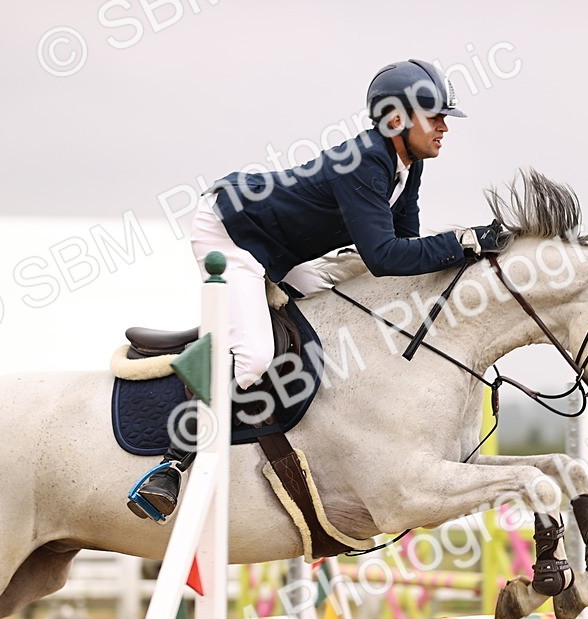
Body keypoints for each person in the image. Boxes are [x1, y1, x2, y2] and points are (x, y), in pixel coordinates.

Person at [129, 58, 507, 520]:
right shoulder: (368, 161)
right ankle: (172, 462)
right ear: (396, 121)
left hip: (280, 248)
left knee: (329, 301)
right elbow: (384, 257)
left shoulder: (405, 165)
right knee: (253, 357)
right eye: (435, 116)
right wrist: (461, 241)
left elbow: (406, 249)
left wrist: (465, 251)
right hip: (233, 234)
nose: (445, 126)